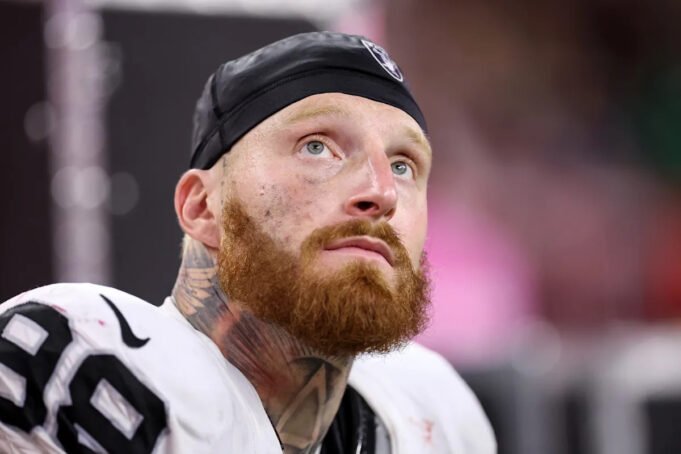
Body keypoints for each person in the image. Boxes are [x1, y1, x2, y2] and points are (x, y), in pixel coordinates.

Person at [0, 32, 495, 453]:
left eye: (403, 165)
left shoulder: (436, 416)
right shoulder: (79, 355)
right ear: (202, 207)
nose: (381, 192)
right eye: (318, 146)